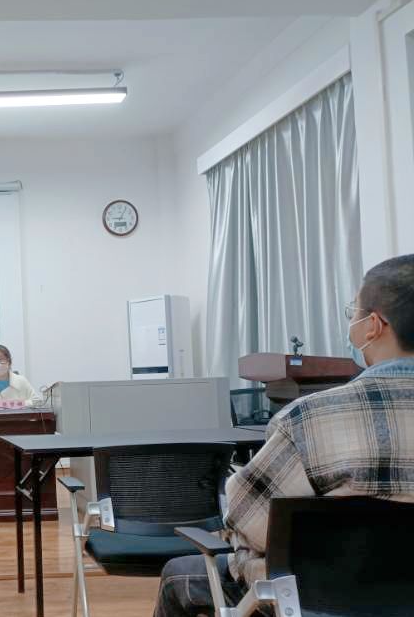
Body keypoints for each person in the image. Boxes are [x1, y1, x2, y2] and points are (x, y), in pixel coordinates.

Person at [154, 253, 414, 617]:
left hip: (319, 599)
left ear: (373, 326)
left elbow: (249, 520)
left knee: (179, 574)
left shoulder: (310, 419)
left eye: (352, 312)